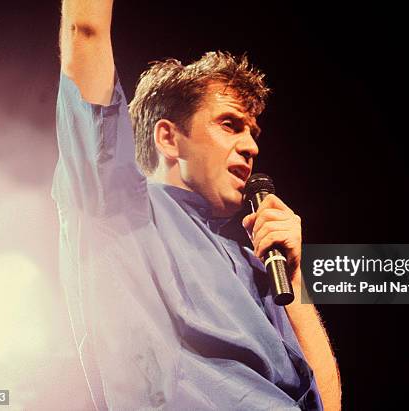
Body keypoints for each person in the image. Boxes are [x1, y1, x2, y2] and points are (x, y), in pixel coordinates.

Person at [54, 1, 341, 409]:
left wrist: (295, 282)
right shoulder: (117, 206)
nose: (252, 145)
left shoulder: (257, 268)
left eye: (253, 131)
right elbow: (87, 30)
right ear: (169, 138)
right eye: (230, 124)